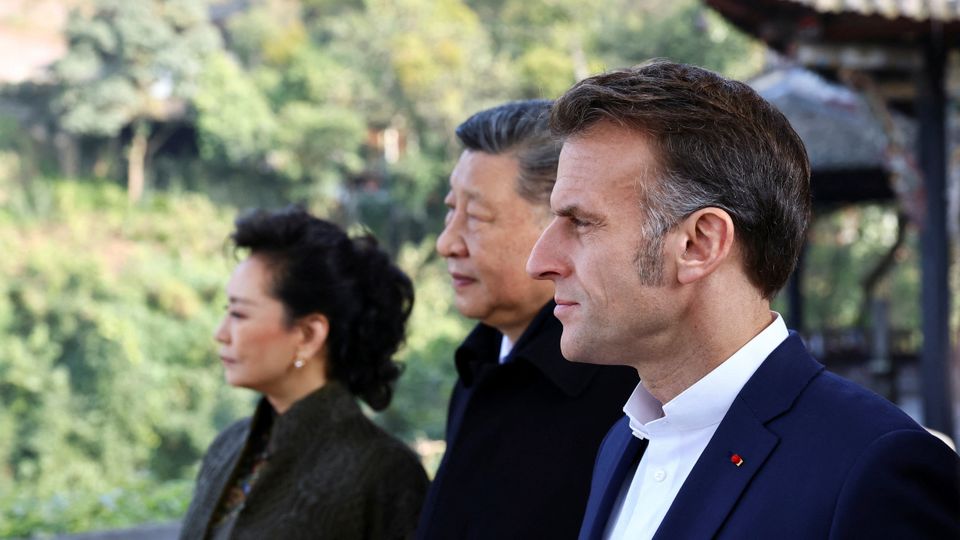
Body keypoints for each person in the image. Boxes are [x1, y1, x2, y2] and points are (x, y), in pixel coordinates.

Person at [526, 61, 960, 539]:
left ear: (700, 244)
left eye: (581, 222)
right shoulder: (621, 443)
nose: (540, 261)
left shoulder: (873, 467)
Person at [416, 100, 638, 539]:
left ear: (561, 222)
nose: (447, 243)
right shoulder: (479, 363)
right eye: (450, 210)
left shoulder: (625, 389)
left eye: (476, 217)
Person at [180, 208, 428, 540]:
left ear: (309, 335)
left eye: (239, 314)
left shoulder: (385, 472)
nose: (220, 333)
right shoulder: (228, 446)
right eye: (227, 312)